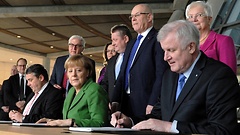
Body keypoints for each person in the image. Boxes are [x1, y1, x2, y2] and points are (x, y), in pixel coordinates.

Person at [111, 20, 240, 134]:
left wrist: (170, 127)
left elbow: (222, 130)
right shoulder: (169, 75)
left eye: (171, 50)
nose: (165, 57)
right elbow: (158, 116)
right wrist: (130, 121)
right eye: (164, 51)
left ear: (191, 47)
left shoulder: (219, 76)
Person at [111, 3, 168, 123]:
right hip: (125, 102)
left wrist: (153, 102)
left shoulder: (158, 39)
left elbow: (161, 74)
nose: (133, 19)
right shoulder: (131, 44)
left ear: (149, 17)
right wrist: (115, 99)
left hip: (145, 102)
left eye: (137, 15)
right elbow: (123, 74)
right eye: (131, 16)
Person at [37, 55, 109, 127]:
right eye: (70, 71)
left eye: (78, 70)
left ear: (88, 72)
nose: (74, 75)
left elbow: (100, 122)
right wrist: (54, 121)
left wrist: (71, 122)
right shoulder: (72, 91)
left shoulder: (94, 90)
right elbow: (67, 119)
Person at [185, 1, 237, 74]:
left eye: (199, 15)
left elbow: (229, 74)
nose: (194, 20)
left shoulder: (223, 41)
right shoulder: (185, 44)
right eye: (190, 16)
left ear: (209, 19)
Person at [101, 24, 132, 111]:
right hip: (113, 108)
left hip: (132, 106)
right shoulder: (112, 61)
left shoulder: (134, 59)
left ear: (125, 39)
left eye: (115, 40)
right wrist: (106, 100)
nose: (113, 44)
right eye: (112, 40)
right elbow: (105, 83)